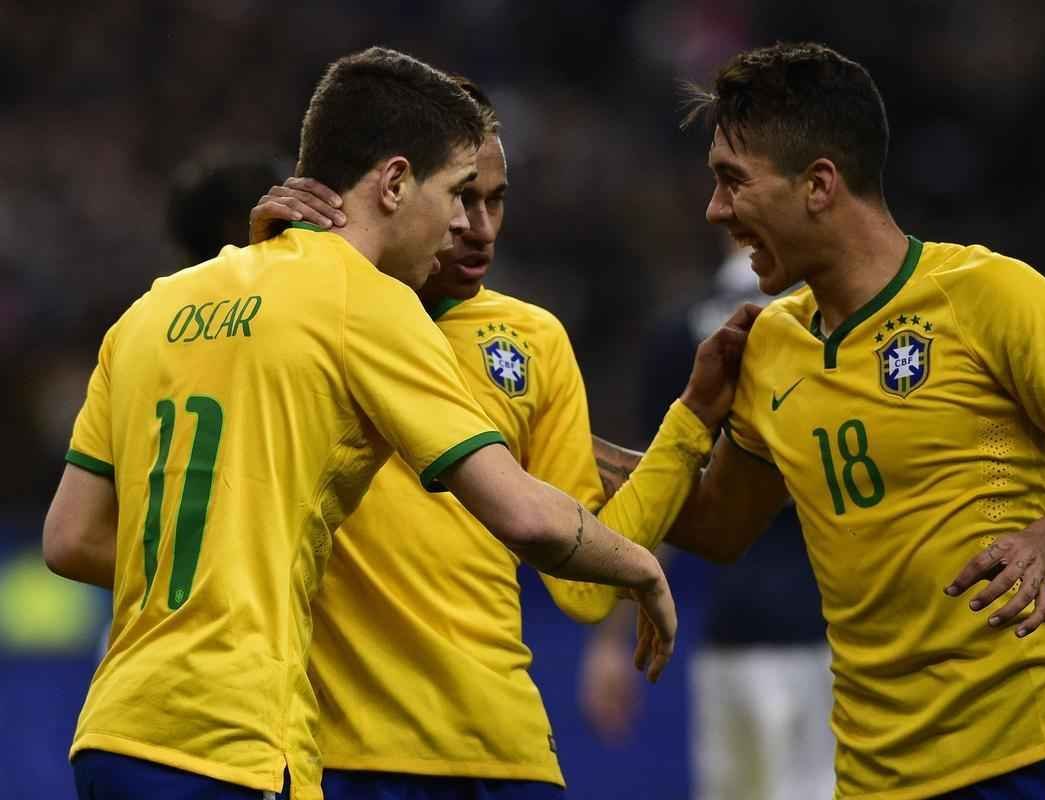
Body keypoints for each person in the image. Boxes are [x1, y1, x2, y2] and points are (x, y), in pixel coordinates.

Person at [41, 48, 682, 800]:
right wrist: (640, 566)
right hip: (239, 739)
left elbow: (72, 536)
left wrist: (233, 556)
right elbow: (521, 513)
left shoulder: (148, 311)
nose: (458, 222)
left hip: (115, 730)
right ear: (395, 181)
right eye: (452, 192)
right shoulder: (365, 303)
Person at [665, 42, 1045, 799]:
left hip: (1041, 748)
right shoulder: (769, 345)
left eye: (731, 182)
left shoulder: (987, 294)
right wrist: (538, 447)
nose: (715, 210)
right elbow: (714, 527)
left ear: (818, 185)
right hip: (882, 778)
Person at [249, 79, 750, 800]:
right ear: (401, 190)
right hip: (344, 756)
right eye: (461, 198)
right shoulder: (314, 315)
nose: (479, 225)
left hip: (505, 754)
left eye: (496, 199)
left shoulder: (531, 337)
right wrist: (266, 263)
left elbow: (580, 592)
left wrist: (692, 420)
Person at [580, 243, 836, 800]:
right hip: (838, 639)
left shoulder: (687, 334)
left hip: (734, 637)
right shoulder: (840, 325)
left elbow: (657, 499)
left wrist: (609, 642)